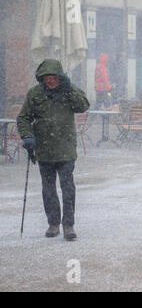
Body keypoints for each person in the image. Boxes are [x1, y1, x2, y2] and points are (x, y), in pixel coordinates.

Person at [17, 59, 90, 241]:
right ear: (42, 78)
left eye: (53, 77)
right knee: (48, 189)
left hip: (65, 149)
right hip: (44, 150)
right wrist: (27, 136)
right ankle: (53, 223)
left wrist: (68, 90)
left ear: (60, 77)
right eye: (47, 77)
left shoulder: (69, 90)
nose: (50, 81)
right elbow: (23, 118)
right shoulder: (35, 94)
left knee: (67, 188)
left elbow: (83, 106)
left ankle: (68, 225)